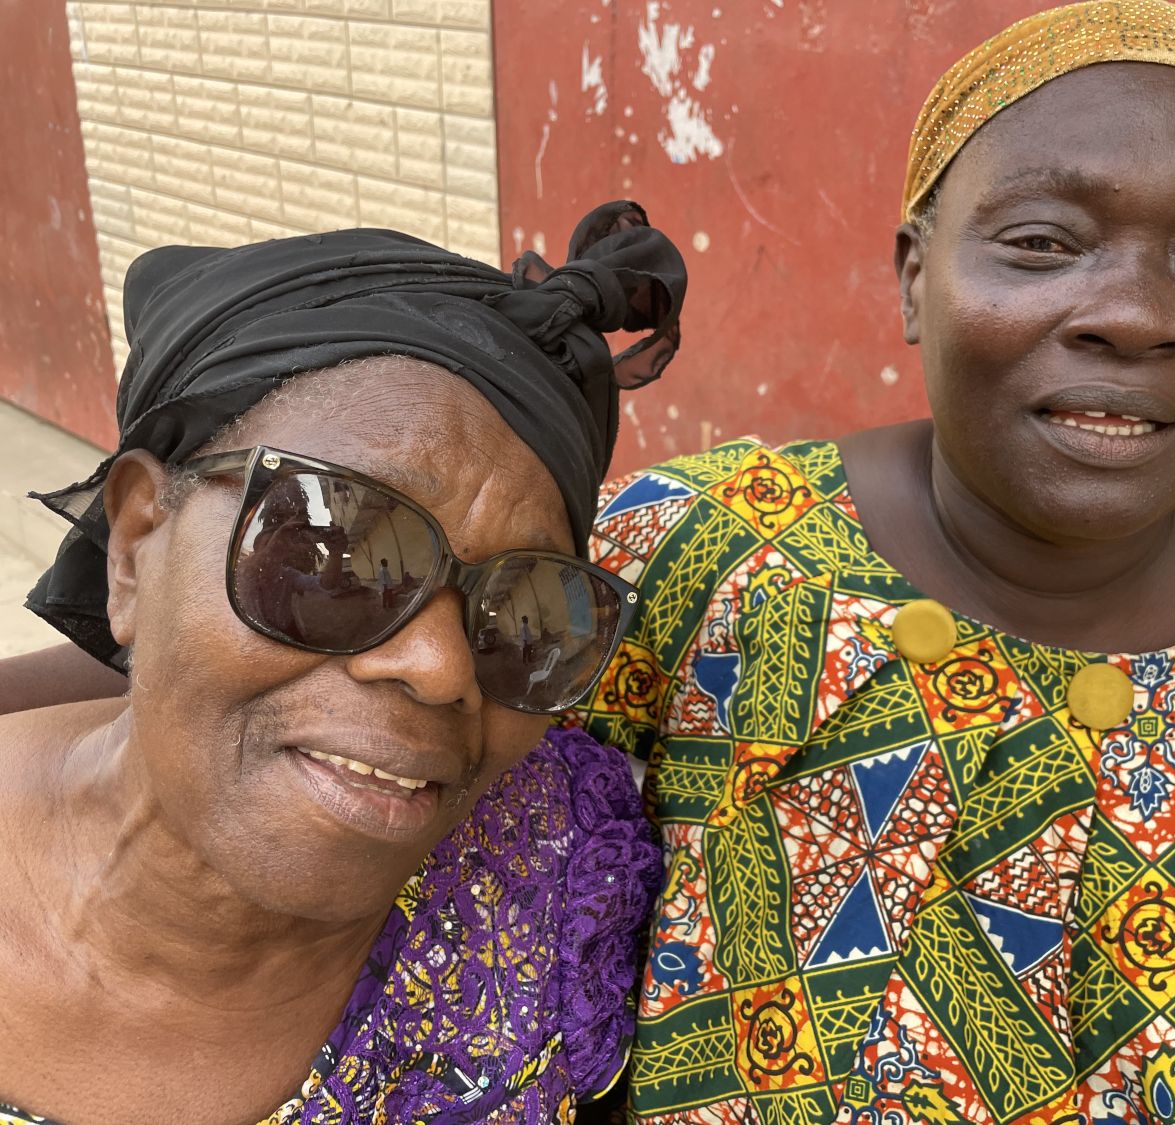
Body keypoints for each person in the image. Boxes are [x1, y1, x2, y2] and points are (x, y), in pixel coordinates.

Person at [562, 4, 1175, 1123]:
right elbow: (504, 968)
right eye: (1045, 241)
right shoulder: (701, 560)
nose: (1139, 317)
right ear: (916, 279)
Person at [0, 201, 684, 1124]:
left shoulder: (568, 869)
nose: (442, 666)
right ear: (132, 548)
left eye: (522, 611)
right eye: (336, 554)